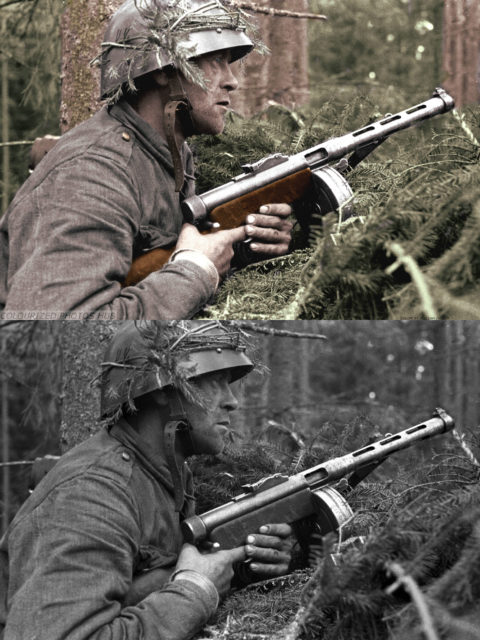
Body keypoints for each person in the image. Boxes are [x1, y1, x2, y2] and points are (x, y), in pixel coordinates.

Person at [0, 0, 293, 320]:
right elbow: (50, 342)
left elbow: (150, 262)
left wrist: (236, 249)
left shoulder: (163, 153)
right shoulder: (89, 178)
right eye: (215, 60)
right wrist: (195, 272)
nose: (231, 80)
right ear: (163, 71)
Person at [0, 321, 293, 639]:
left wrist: (237, 567)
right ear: (162, 392)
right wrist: (195, 591)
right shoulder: (92, 496)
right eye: (213, 381)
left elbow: (151, 581)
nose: (231, 401)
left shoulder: (162, 472)